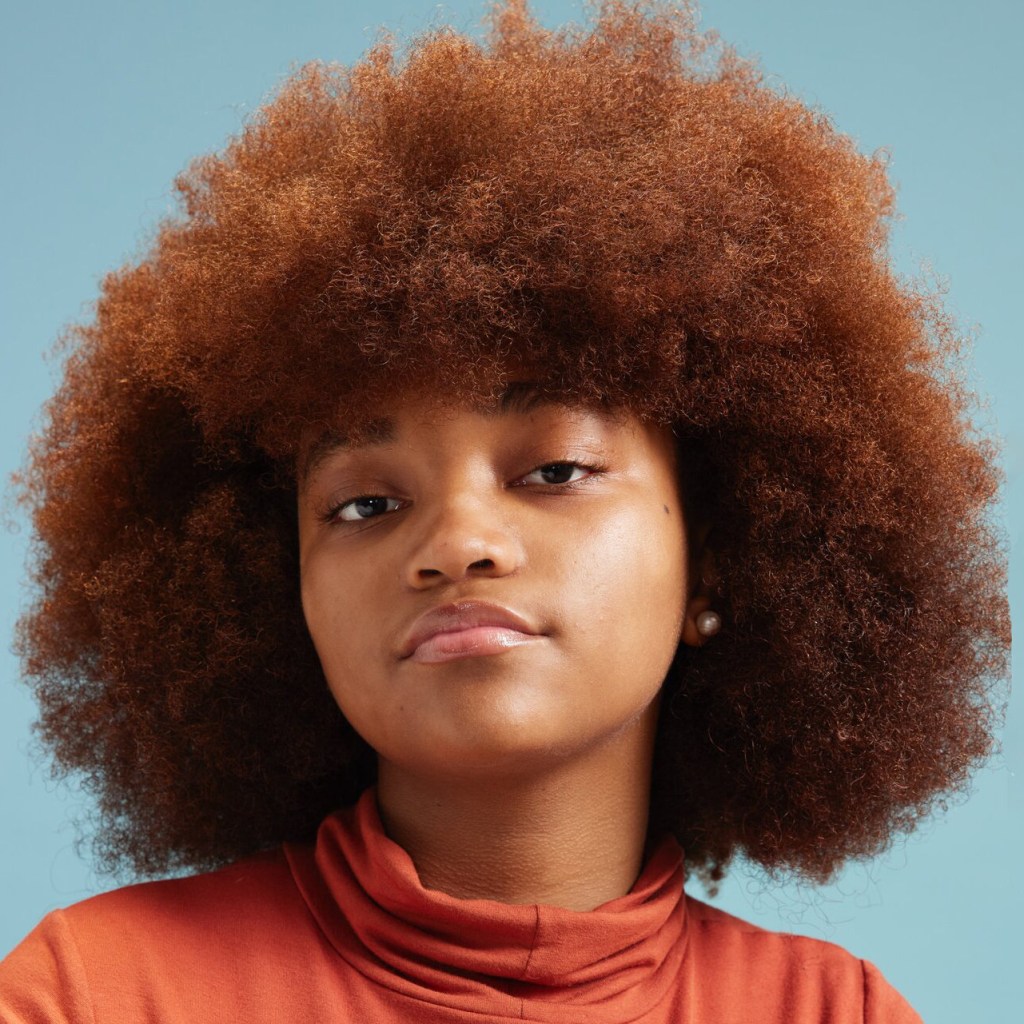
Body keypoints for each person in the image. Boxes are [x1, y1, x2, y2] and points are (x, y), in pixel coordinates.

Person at [0, 1, 1009, 1021]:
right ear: (283, 597)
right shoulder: (94, 993)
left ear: (713, 560)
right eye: (365, 502)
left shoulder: (831, 1012)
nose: (457, 546)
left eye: (556, 471)